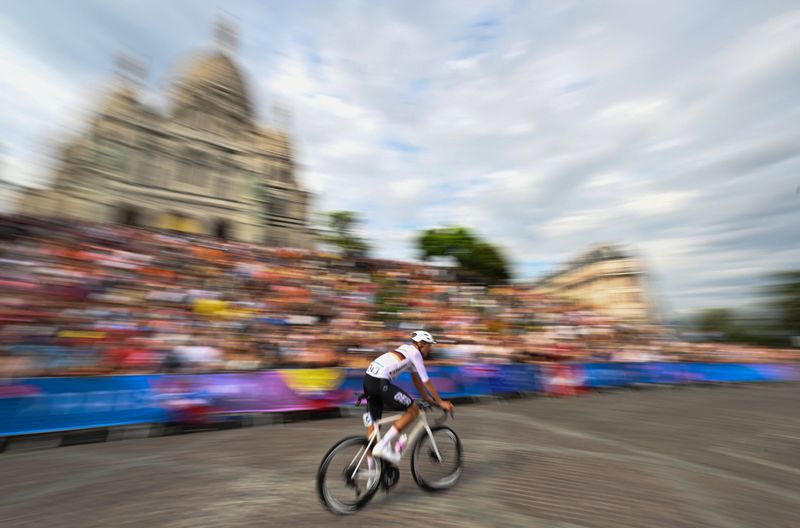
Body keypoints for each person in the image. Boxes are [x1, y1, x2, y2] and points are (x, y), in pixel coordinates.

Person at [363, 330, 454, 465]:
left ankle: (373, 475)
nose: (430, 349)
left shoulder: (405, 349)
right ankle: (383, 446)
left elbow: (415, 379)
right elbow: (426, 381)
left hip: (368, 381)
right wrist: (440, 402)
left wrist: (428, 399)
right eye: (429, 345)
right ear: (422, 344)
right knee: (413, 410)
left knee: (374, 428)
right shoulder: (416, 354)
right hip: (380, 382)